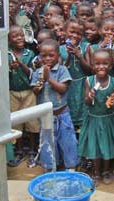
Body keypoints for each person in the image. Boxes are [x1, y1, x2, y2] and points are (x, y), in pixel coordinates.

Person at [31, 39, 79, 170]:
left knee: (67, 140)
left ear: (58, 56)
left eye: (51, 55)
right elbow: (35, 91)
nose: (47, 58)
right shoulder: (37, 72)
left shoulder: (62, 70)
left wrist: (49, 79)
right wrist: (38, 85)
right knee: (48, 142)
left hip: (62, 114)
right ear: (39, 57)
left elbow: (63, 88)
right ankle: (50, 166)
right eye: (43, 56)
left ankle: (71, 166)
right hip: (46, 117)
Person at [78, 49, 114, 184]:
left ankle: (106, 171)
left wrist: (112, 102)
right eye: (97, 64)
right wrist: (89, 96)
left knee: (107, 147)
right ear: (92, 65)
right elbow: (86, 102)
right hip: (94, 119)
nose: (101, 67)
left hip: (108, 120)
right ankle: (96, 172)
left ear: (110, 66)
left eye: (105, 64)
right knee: (95, 147)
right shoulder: (89, 81)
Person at [8, 25, 39, 167]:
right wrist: (10, 68)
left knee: (32, 122)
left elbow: (31, 74)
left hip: (28, 92)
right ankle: (19, 150)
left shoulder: (29, 54)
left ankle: (32, 151)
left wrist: (20, 64)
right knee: (16, 123)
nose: (19, 38)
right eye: (15, 36)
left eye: (21, 35)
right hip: (12, 93)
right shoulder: (6, 54)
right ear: (9, 39)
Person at [59, 18, 91, 129]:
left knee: (83, 112)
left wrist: (79, 56)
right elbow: (61, 70)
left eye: (78, 33)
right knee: (69, 112)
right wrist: (68, 55)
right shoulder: (60, 49)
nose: (75, 35)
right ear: (64, 32)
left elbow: (90, 70)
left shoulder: (86, 47)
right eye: (72, 32)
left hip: (82, 85)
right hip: (68, 86)